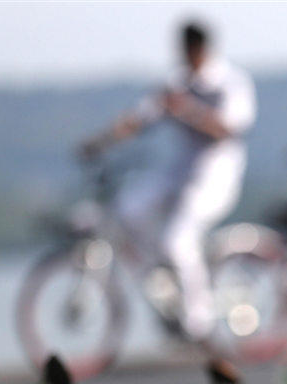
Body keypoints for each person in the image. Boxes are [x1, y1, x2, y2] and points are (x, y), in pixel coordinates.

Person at [80, 22, 256, 340]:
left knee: (179, 239)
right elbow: (139, 119)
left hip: (217, 172)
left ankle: (198, 319)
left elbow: (228, 130)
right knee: (127, 209)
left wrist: (189, 110)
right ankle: (163, 272)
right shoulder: (177, 83)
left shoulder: (230, 82)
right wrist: (101, 141)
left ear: (201, 49)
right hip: (180, 167)